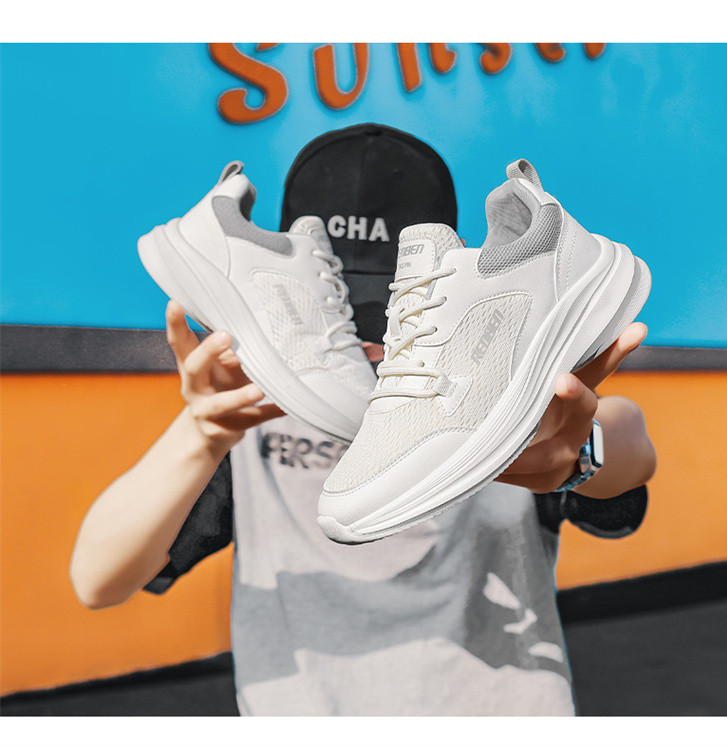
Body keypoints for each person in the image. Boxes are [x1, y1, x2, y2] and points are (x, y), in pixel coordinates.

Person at [70, 125, 656, 716]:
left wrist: (578, 450)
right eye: (338, 315)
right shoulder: (254, 422)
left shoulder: (498, 385)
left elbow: (627, 449)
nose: (373, 345)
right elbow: (98, 581)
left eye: (395, 318)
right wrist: (203, 432)